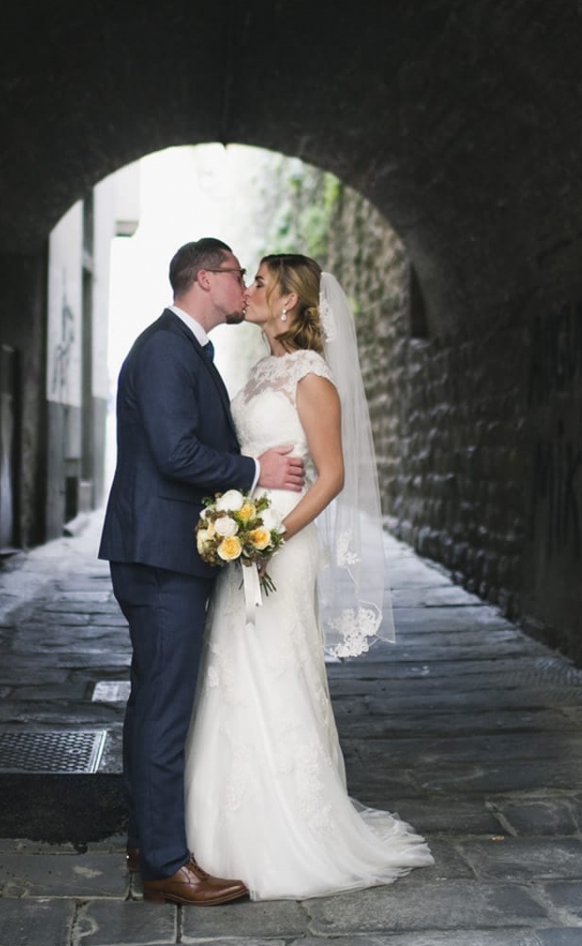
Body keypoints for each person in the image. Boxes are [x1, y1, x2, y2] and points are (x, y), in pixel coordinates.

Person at [185, 253, 433, 899]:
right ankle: (220, 832)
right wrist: (236, 526)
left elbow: (332, 475)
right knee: (232, 672)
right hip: (244, 539)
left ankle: (289, 835)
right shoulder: (260, 370)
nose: (249, 289)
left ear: (289, 300)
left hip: (281, 545)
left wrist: (272, 538)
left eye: (261, 282)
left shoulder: (312, 377)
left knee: (276, 671)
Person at [99, 238, 308, 906]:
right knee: (166, 707)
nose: (244, 285)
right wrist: (255, 471)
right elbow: (175, 453)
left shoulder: (186, 350)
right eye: (237, 274)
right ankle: (167, 864)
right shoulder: (167, 350)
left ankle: (146, 839)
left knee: (151, 699)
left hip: (159, 550)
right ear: (205, 279)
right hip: (161, 554)